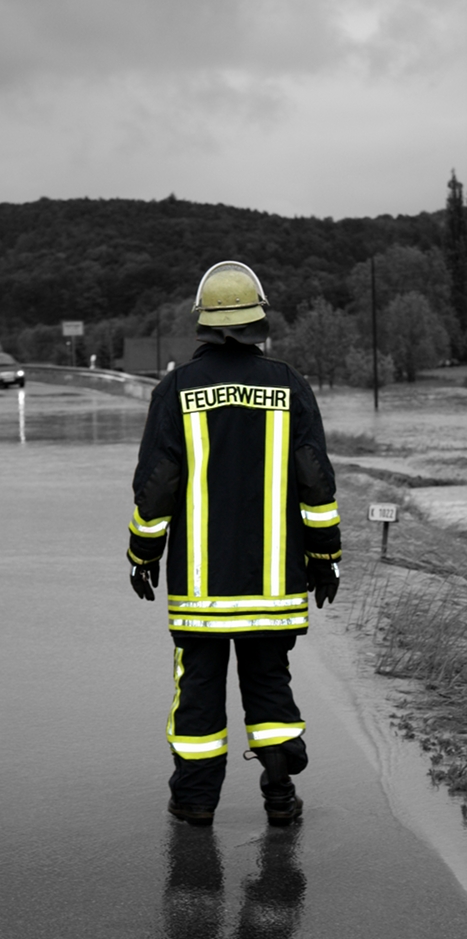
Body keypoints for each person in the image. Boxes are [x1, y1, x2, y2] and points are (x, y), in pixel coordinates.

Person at [127, 261, 341, 828]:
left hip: (200, 589)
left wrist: (142, 554)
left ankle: (196, 802)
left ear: (205, 322)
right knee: (269, 682)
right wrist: (325, 559)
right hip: (275, 588)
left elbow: (157, 487)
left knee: (197, 689)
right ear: (257, 321)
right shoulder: (289, 385)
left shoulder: (174, 390)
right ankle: (278, 795)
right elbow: (315, 483)